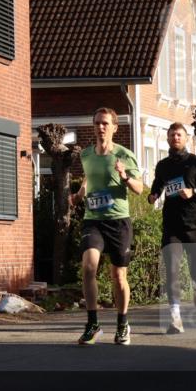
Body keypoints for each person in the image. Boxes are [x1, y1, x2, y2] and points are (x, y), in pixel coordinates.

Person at [70, 107, 144, 345]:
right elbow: (89, 177)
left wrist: (124, 176)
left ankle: (123, 324)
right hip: (93, 220)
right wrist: (80, 193)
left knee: (118, 276)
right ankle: (93, 325)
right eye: (97, 123)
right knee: (89, 267)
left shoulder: (124, 155)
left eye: (105, 123)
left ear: (114, 127)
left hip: (118, 222)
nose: (100, 127)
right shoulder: (86, 155)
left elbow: (140, 189)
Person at [148, 123, 196, 334]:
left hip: (194, 223)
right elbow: (158, 184)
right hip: (171, 225)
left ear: (186, 139)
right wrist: (153, 195)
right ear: (167, 139)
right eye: (171, 135)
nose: (175, 138)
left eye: (178, 135)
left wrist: (194, 191)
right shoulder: (162, 165)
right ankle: (175, 318)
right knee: (171, 270)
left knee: (195, 266)